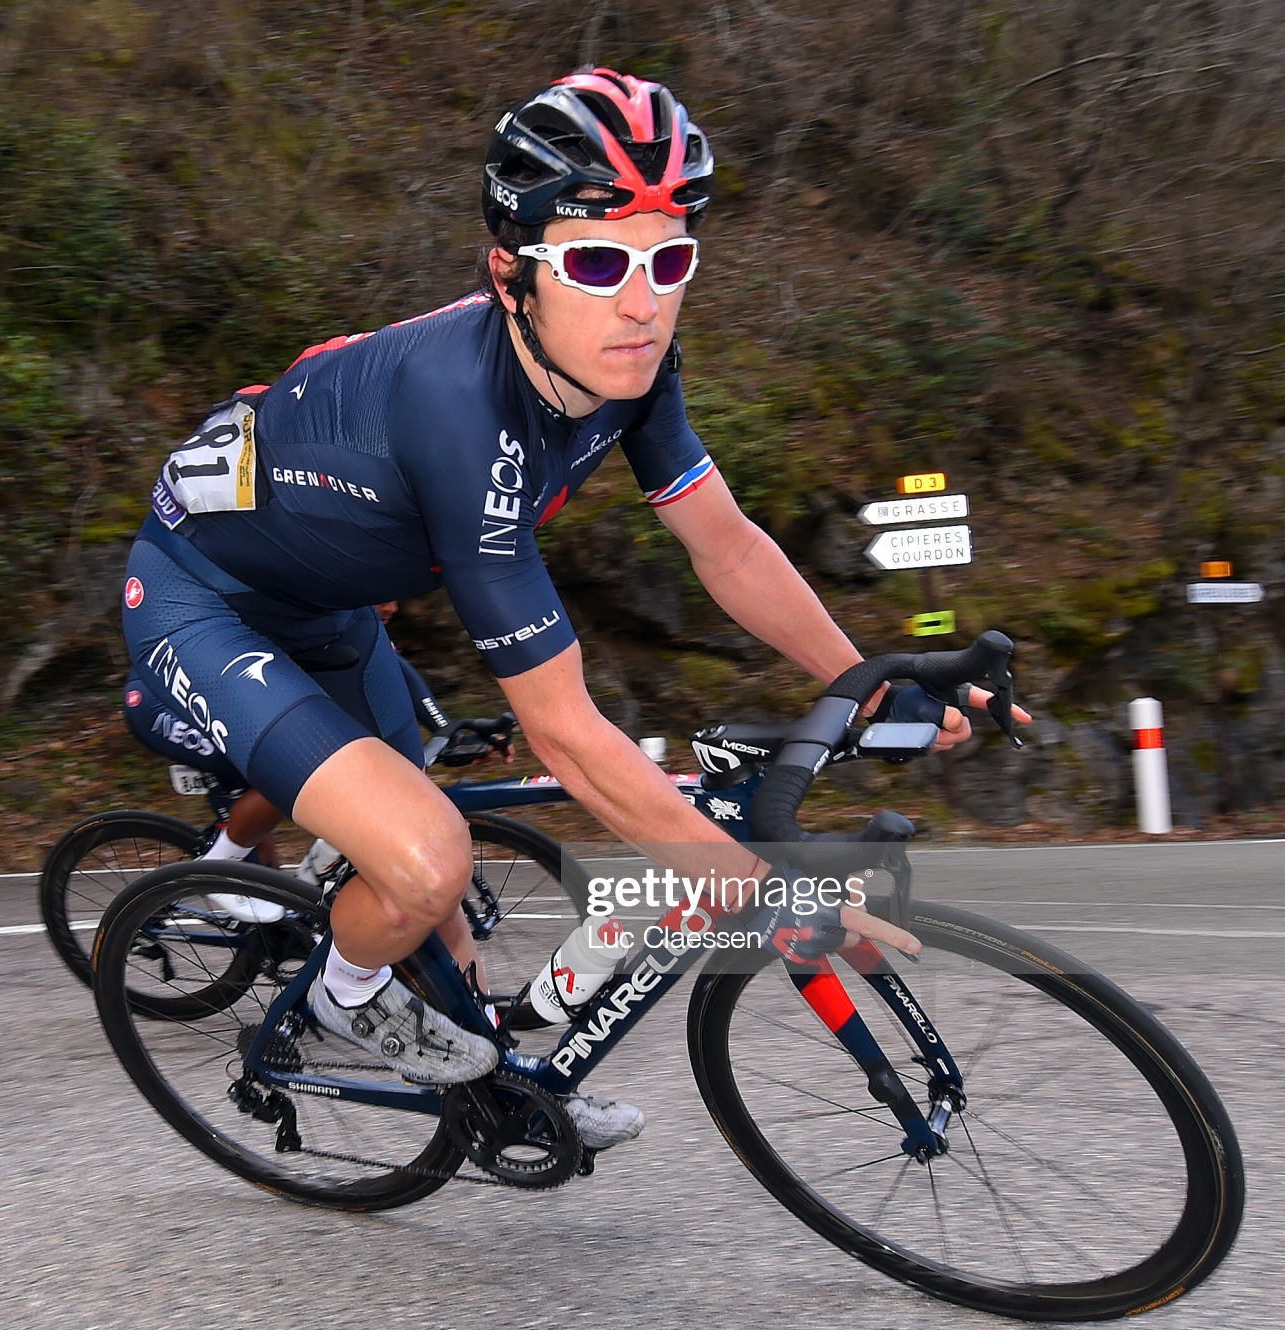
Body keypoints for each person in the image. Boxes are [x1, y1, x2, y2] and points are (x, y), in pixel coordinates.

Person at [120, 69, 1013, 1152]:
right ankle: (332, 999)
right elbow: (568, 736)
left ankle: (493, 1079)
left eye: (667, 258)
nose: (640, 303)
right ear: (511, 275)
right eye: (595, 261)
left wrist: (861, 681)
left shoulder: (632, 370)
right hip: (201, 598)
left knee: (443, 915)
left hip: (336, 606)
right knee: (424, 858)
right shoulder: (462, 416)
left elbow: (725, 544)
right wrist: (759, 893)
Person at [123, 601, 500, 924]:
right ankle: (218, 865)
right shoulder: (320, 605)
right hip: (163, 703)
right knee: (285, 769)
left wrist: (447, 729)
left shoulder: (356, 616)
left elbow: (394, 672)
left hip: (234, 696)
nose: (392, 607)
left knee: (282, 797)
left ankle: (263, 899)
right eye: (386, 598)